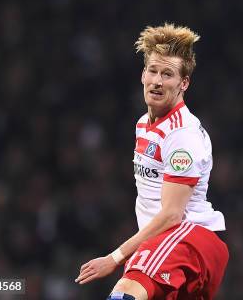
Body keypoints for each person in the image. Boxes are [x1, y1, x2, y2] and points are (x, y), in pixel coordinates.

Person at [75, 24, 228, 300]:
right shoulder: (143, 124)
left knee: (123, 297)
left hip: (189, 239)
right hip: (171, 243)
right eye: (153, 71)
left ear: (184, 83)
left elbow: (172, 214)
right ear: (143, 74)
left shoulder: (183, 135)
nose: (157, 81)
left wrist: (115, 258)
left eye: (167, 74)